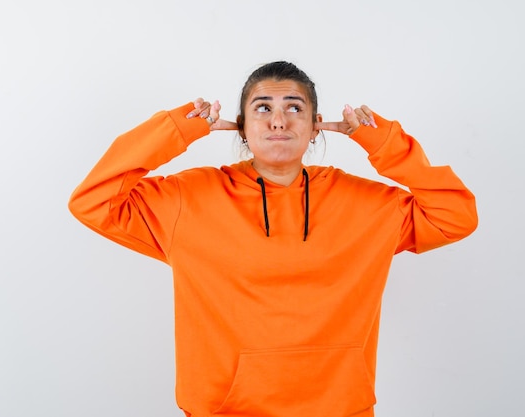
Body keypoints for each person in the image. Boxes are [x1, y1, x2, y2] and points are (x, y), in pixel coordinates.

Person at [68, 61, 477, 417]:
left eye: (294, 108)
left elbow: (456, 215)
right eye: (262, 108)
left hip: (341, 410)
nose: (278, 121)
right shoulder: (185, 200)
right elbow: (94, 200)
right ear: (242, 126)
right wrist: (176, 129)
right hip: (225, 412)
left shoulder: (367, 204)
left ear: (317, 126)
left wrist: (383, 142)